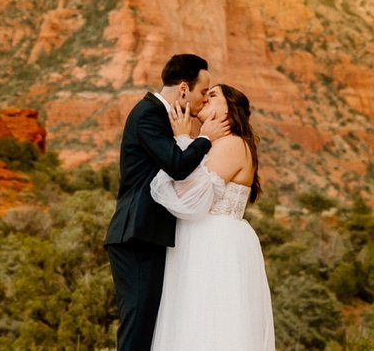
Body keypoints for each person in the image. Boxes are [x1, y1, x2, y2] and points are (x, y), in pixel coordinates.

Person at [106, 52, 226, 351]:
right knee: (137, 327)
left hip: (147, 234)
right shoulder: (149, 114)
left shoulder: (163, 117)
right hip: (136, 234)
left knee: (147, 326)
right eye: (201, 92)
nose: (202, 101)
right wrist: (205, 139)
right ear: (183, 89)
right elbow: (177, 165)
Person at [148, 80, 275, 351]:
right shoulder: (214, 144)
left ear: (228, 112)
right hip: (201, 239)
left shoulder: (230, 144)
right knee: (193, 320)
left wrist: (183, 141)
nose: (204, 97)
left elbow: (190, 199)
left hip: (215, 243)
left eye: (213, 95)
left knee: (213, 321)